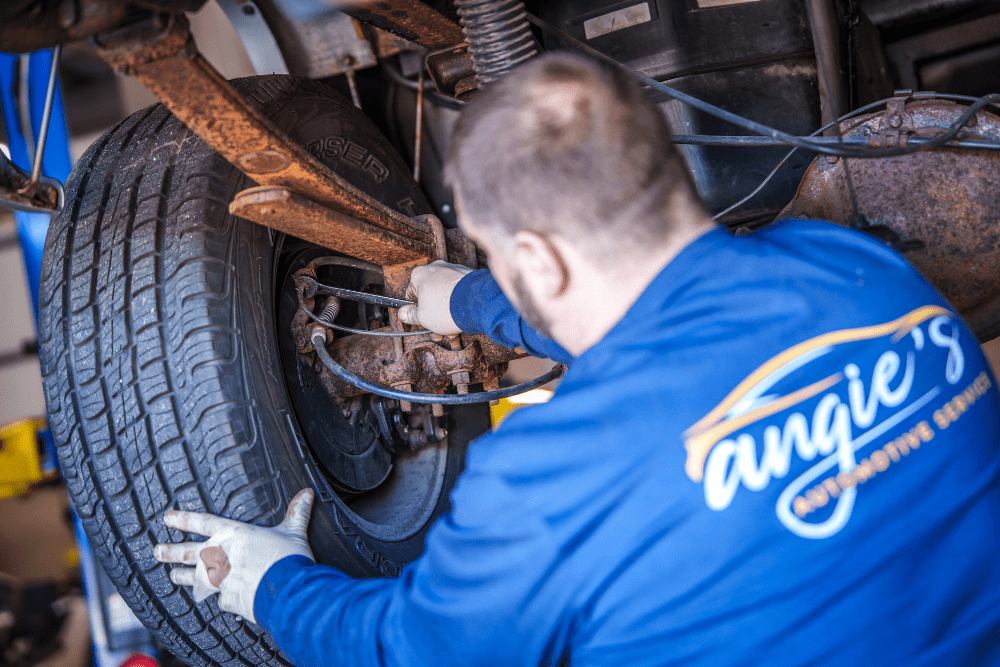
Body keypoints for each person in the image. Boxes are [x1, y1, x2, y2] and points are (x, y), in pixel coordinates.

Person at [154, 52, 1000, 666]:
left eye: (499, 254)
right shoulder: (858, 269)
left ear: (543, 260)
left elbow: (411, 651)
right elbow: (673, 319)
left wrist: (273, 583)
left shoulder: (546, 478)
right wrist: (477, 299)